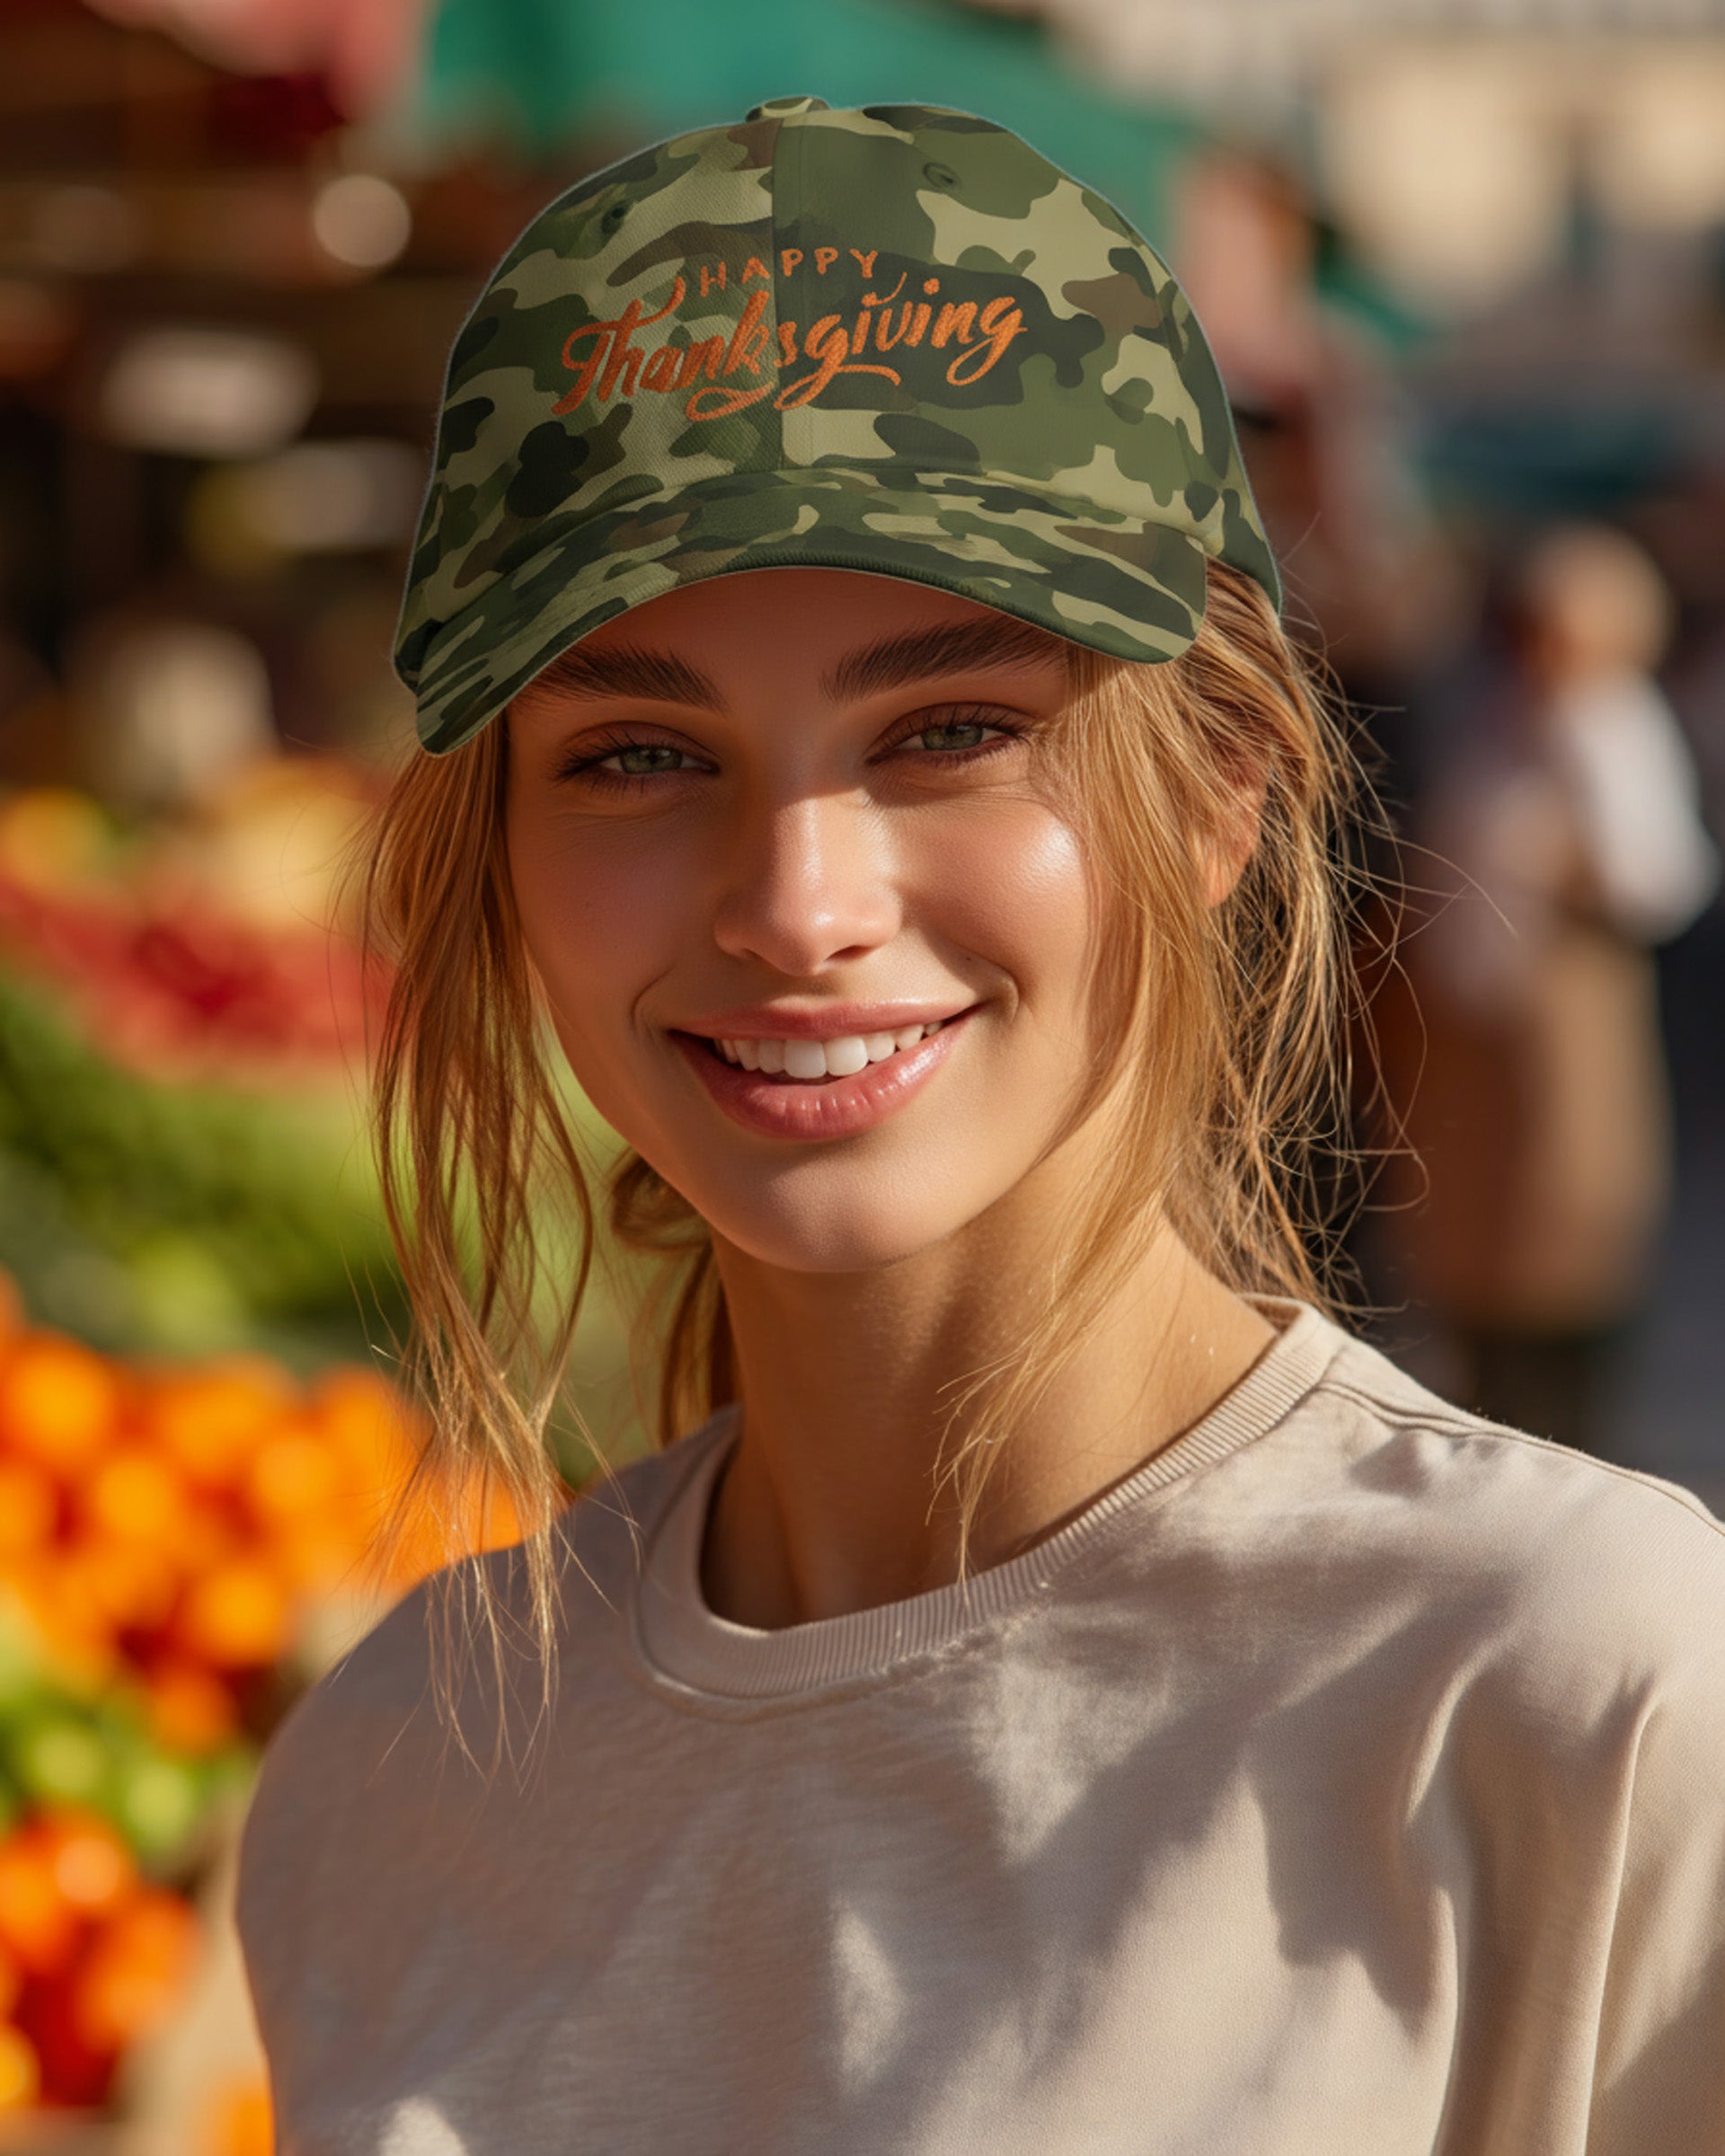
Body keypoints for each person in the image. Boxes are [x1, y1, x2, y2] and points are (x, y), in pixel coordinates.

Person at [235, 99, 1725, 2154]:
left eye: (948, 728)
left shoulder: (1573, 1691)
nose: (796, 898)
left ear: (1221, 787)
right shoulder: (391, 1773)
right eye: (638, 749)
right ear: (492, 856)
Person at [1386, 525, 1718, 1453]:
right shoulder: (1495, 715)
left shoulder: (1611, 724)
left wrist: (1568, 870)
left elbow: (1657, 874)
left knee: (1567, 1248)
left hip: (1567, 1025)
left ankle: (1564, 1439)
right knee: (1479, 1255)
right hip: (1474, 1031)